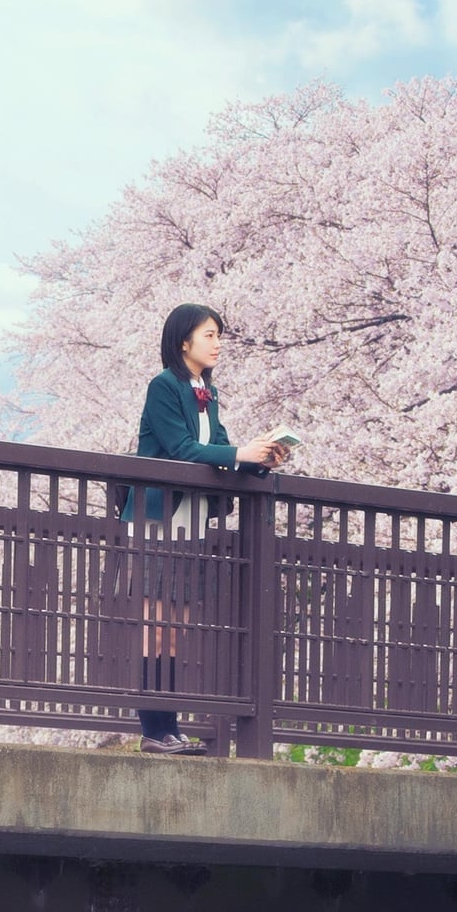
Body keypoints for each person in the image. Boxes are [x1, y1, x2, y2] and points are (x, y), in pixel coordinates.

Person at [121, 304, 287, 755]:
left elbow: (217, 449)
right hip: (156, 515)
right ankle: (153, 730)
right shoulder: (163, 385)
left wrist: (260, 462)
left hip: (189, 519)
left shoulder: (205, 392)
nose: (217, 343)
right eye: (210, 335)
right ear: (183, 342)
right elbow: (180, 449)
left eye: (219, 335)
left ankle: (168, 727)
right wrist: (239, 453)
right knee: (156, 624)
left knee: (176, 628)